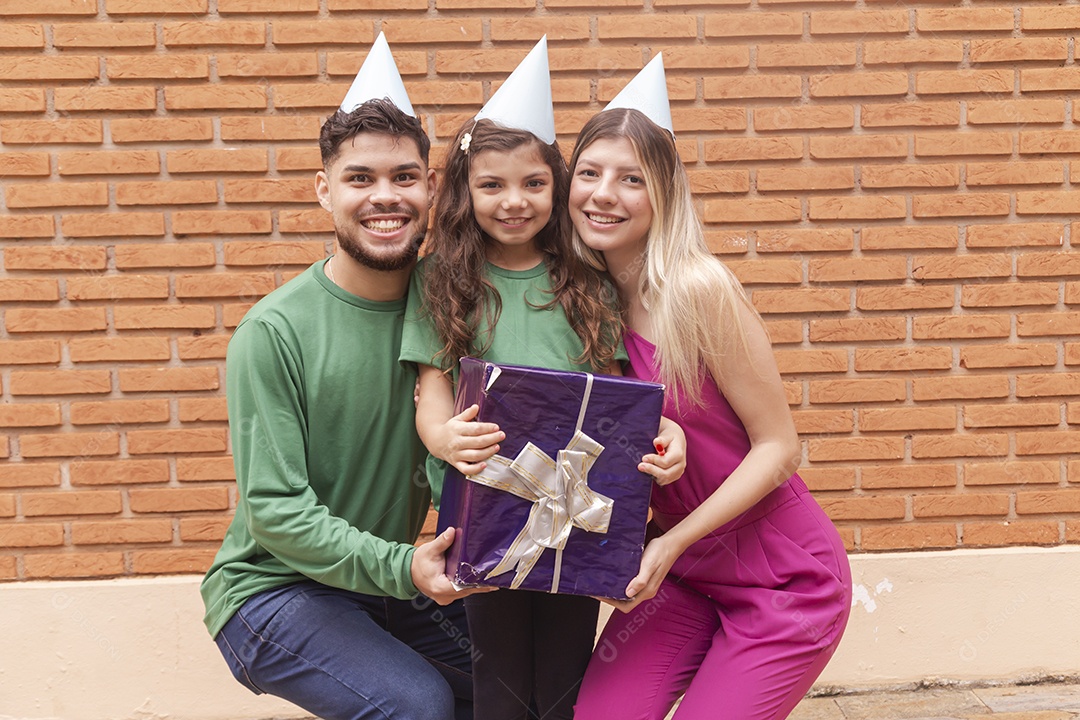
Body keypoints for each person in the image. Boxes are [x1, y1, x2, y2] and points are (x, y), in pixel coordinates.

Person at [398, 39, 685, 720]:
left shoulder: (584, 278)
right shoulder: (442, 280)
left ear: (555, 187)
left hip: (575, 503)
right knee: (494, 667)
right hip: (482, 496)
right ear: (466, 191)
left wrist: (658, 435)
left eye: (533, 183)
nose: (513, 201)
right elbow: (431, 390)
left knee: (564, 669)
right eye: (492, 185)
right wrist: (443, 440)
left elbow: (618, 389)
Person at [199, 35, 483, 720]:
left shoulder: (450, 303)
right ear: (325, 190)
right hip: (273, 592)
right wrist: (401, 567)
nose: (385, 196)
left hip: (385, 583)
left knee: (526, 685)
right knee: (416, 706)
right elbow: (276, 514)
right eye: (360, 178)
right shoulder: (276, 333)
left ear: (431, 187)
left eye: (404, 177)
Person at [569, 56, 853, 720]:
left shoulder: (699, 291)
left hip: (786, 578)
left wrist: (667, 543)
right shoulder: (589, 304)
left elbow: (778, 446)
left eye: (630, 179)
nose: (604, 194)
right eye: (589, 173)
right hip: (687, 572)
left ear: (663, 193)